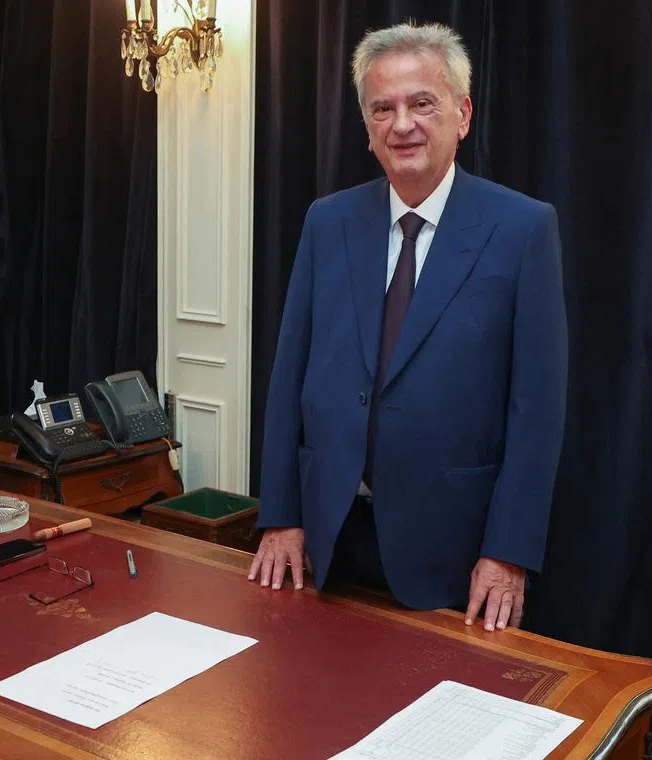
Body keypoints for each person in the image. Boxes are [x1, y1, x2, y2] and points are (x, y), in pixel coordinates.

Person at [247, 22, 567, 633]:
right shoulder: (327, 222)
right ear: (366, 127)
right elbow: (288, 377)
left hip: (456, 553)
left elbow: (537, 410)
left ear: (462, 114)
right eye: (382, 108)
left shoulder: (523, 229)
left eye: (422, 104)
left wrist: (508, 552)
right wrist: (281, 515)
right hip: (328, 541)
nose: (402, 125)